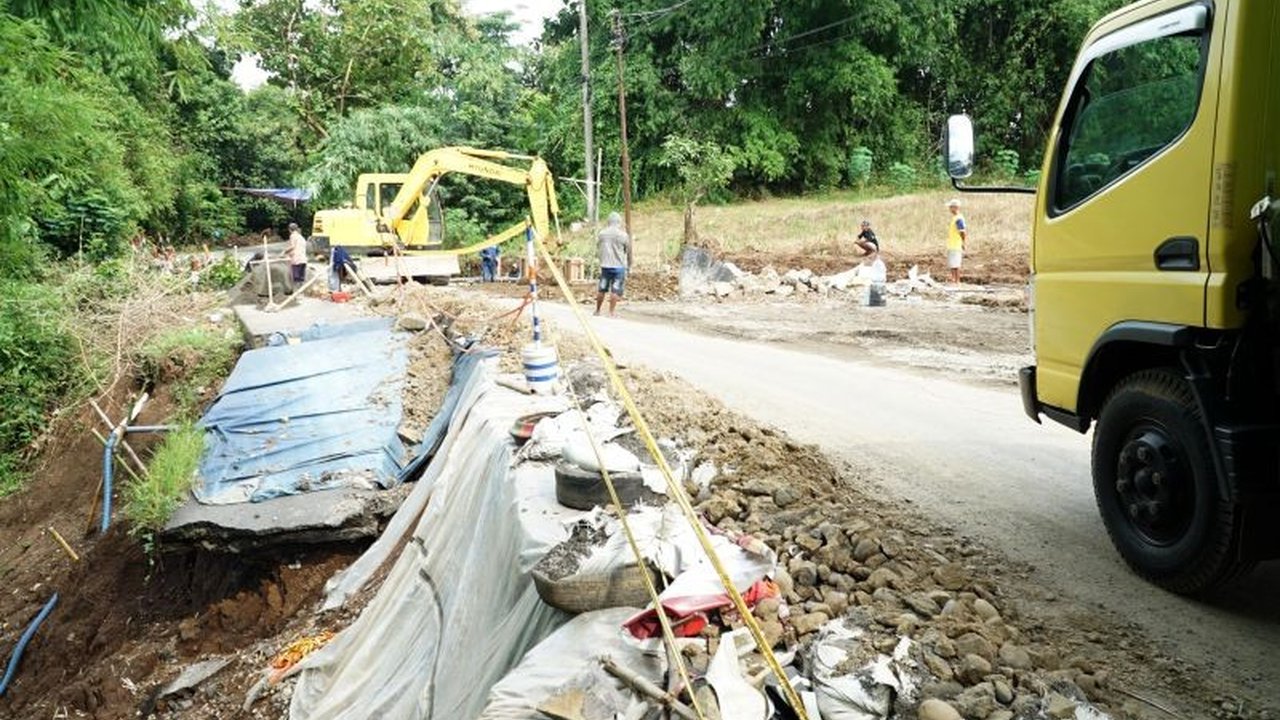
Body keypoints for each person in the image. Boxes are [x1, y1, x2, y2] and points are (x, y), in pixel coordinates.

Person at [595, 212, 631, 317]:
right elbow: (626, 250)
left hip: (605, 266)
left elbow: (598, 247)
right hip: (618, 266)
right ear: (618, 222)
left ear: (608, 222)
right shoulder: (623, 235)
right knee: (615, 289)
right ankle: (611, 313)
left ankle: (597, 311)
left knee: (602, 288)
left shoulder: (602, 234)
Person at [945, 198, 967, 284]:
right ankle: (954, 280)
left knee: (956, 264)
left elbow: (962, 232)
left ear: (955, 207)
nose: (949, 209)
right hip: (952, 244)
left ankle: (957, 281)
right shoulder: (955, 218)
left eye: (950, 207)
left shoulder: (959, 219)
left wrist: (963, 242)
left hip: (956, 245)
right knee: (952, 264)